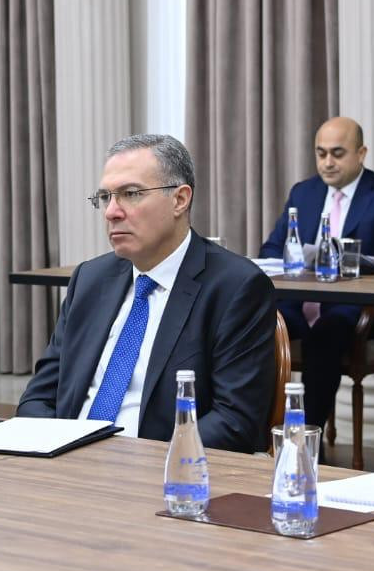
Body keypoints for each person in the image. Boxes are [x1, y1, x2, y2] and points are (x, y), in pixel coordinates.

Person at [18, 134, 276, 453]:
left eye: (130, 194)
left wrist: (147, 462)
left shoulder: (236, 287)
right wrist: (58, 451)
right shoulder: (90, 279)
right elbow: (39, 397)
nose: (112, 212)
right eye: (105, 197)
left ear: (180, 200)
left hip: (163, 468)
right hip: (68, 461)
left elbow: (235, 421)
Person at [258, 117, 374, 428]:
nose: (327, 162)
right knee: (258, 325)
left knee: (325, 335)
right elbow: (272, 249)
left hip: (357, 309)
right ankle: (259, 433)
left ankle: (307, 439)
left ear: (361, 153)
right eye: (321, 153)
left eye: (337, 153)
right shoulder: (303, 193)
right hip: (298, 304)